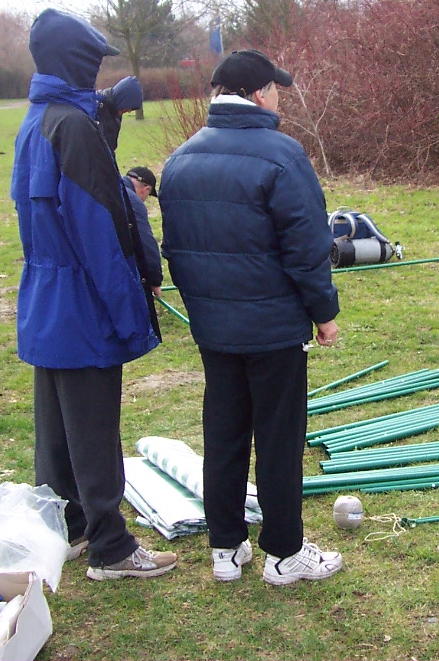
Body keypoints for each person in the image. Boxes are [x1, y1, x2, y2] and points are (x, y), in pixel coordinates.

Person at [159, 48, 343, 585]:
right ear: (260, 94)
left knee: (224, 434)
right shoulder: (283, 155)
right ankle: (285, 554)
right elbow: (307, 246)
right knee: (279, 439)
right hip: (273, 329)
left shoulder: (181, 158)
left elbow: (176, 250)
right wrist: (324, 312)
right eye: (276, 89)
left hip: (214, 328)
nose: (279, 97)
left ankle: (226, 547)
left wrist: (201, 310)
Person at [11, 8, 175, 580]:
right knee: (93, 429)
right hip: (81, 301)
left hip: (47, 299)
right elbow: (99, 233)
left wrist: (105, 114)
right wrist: (131, 315)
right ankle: (111, 548)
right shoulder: (71, 127)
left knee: (58, 428)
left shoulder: (40, 119)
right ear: (76, 62)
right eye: (93, 63)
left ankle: (72, 526)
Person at [123, 165, 164, 340]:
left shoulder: (112, 188)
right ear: (146, 189)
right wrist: (154, 280)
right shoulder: (132, 200)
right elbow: (145, 243)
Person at [97, 75, 143, 155]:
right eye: (129, 106)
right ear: (122, 99)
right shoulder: (98, 109)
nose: (129, 111)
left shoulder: (115, 114)